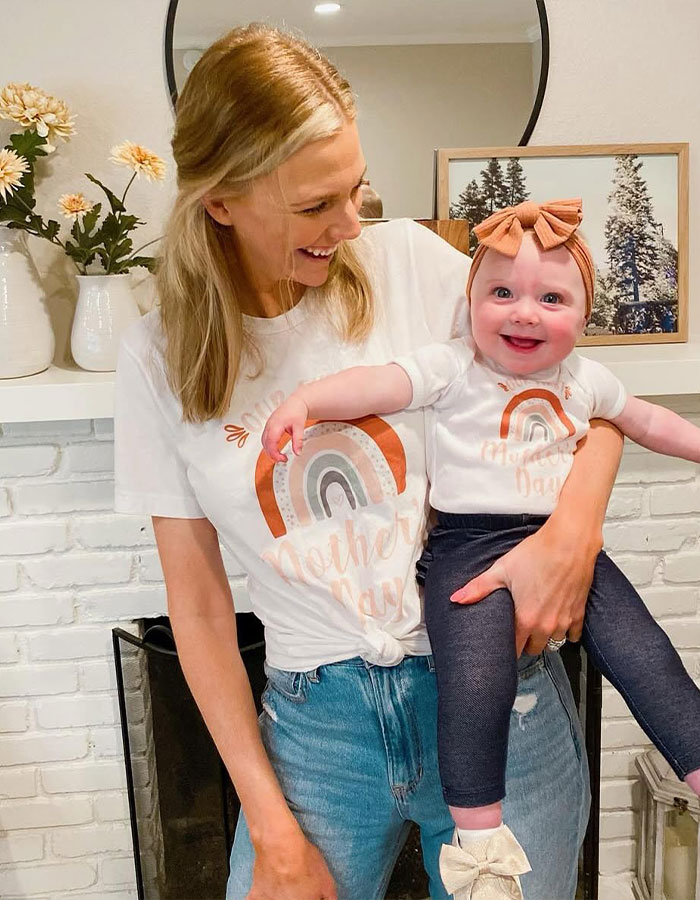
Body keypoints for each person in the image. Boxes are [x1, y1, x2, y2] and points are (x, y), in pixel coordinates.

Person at [114, 25, 624, 900]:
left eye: (356, 189)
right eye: (318, 205)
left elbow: (595, 405)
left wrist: (574, 532)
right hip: (317, 735)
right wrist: (269, 823)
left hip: (499, 701)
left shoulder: (415, 269)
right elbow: (196, 608)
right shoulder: (159, 355)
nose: (351, 224)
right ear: (223, 201)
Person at [262, 198, 700, 899]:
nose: (523, 312)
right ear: (470, 304)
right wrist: (307, 402)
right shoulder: (452, 365)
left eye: (550, 298)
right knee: (473, 681)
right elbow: (379, 384)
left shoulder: (585, 380)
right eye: (501, 293)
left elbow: (645, 422)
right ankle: (479, 841)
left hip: (562, 545)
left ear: (584, 317)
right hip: (468, 548)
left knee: (644, 653)